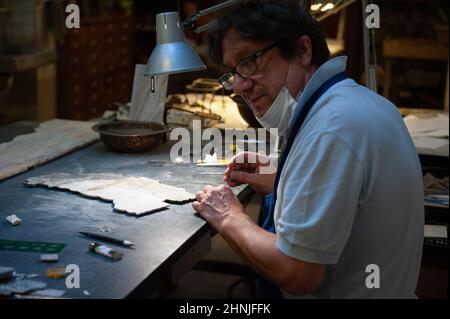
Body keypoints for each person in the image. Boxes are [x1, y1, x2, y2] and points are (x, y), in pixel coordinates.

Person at [192, 0, 424, 298]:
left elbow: (297, 272)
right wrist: (286, 180)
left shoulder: (332, 128)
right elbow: (355, 198)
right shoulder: (362, 104)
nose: (238, 85)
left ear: (303, 51)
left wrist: (228, 215)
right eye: (232, 72)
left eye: (248, 61)